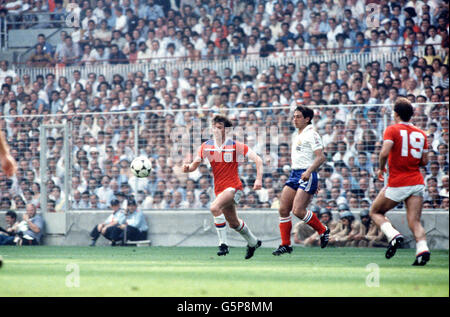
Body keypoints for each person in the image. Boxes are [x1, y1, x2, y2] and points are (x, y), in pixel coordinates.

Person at [183, 114, 263, 259]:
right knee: (233, 223)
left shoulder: (235, 146)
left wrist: (258, 179)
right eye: (214, 127)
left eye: (219, 128)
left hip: (234, 187)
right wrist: (188, 168)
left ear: (226, 130)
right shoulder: (206, 146)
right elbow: (195, 164)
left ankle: (223, 244)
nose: (215, 130)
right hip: (219, 189)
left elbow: (258, 160)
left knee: (214, 208)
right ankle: (253, 242)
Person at [370, 97, 431, 266]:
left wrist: (381, 168)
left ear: (395, 113)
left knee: (375, 211)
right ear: (411, 115)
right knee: (415, 221)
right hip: (417, 181)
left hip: (398, 181)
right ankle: (422, 249)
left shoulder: (392, 130)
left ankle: (393, 235)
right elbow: (424, 161)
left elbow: (384, 153)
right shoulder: (421, 133)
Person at [273, 106, 330, 256]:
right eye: (294, 116)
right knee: (283, 209)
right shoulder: (297, 134)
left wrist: (310, 173)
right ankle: (285, 244)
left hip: (306, 173)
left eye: (298, 117)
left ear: (307, 119)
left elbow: (321, 157)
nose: (295, 119)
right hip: (295, 173)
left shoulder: (312, 134)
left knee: (298, 210)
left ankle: (323, 230)